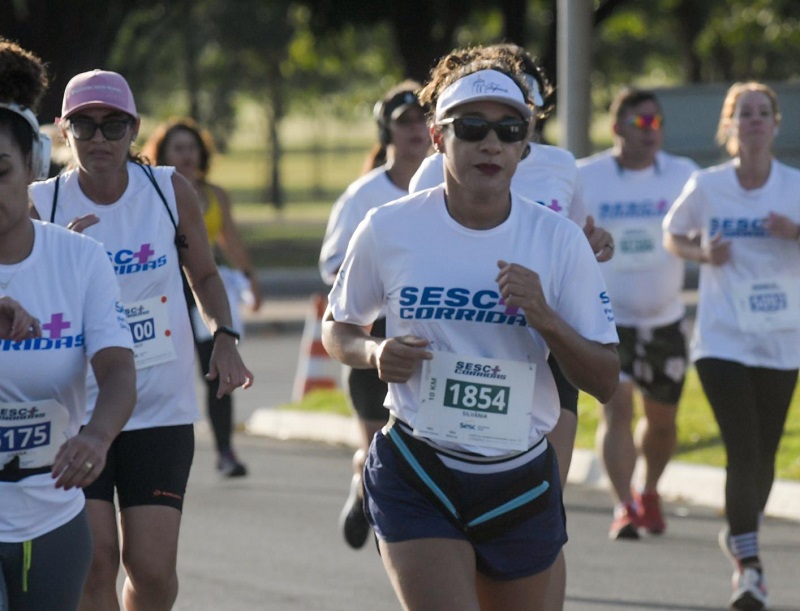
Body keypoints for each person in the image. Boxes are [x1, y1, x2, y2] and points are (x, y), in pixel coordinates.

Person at [322, 50, 619, 610]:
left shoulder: (557, 240)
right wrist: (374, 350)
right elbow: (337, 326)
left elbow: (605, 379)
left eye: (509, 131)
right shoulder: (390, 228)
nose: (491, 144)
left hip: (520, 477)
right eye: (472, 128)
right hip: (418, 467)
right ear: (437, 138)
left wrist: (545, 318)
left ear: (525, 145)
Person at [29, 69, 253, 611]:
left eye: (113, 126)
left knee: (151, 571)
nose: (99, 139)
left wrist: (224, 335)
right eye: (85, 126)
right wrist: (60, 262)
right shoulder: (44, 204)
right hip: (77, 411)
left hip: (159, 407)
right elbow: (25, 301)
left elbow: (203, 274)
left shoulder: (167, 188)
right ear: (64, 131)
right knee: (96, 559)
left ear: (133, 129)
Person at [410, 43, 613, 611]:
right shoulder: (438, 163)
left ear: (534, 107)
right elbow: (420, 244)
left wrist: (598, 245)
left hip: (542, 343)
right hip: (464, 344)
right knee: (471, 506)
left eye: (523, 93)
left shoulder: (561, 165)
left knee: (541, 499)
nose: (494, 128)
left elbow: (579, 238)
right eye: (482, 107)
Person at [0, 40, 136, 611]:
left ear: (31, 167)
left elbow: (118, 372)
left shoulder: (79, 260)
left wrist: (97, 437)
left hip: (50, 514)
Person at [663, 81, 800, 611]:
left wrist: (795, 231)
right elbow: (672, 233)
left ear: (776, 124)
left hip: (781, 339)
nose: (755, 122)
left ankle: (740, 534)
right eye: (745, 113)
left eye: (764, 113)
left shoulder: (792, 186)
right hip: (722, 337)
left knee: (764, 455)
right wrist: (701, 251)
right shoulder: (708, 186)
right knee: (743, 448)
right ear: (729, 126)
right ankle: (749, 565)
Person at [577, 88, 699, 540]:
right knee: (618, 409)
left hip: (664, 317)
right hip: (607, 319)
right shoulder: (586, 177)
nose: (652, 132)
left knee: (662, 420)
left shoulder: (684, 174)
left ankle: (649, 491)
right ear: (616, 128)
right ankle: (623, 502)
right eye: (641, 123)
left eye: (657, 123)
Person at [319, 81, 430, 549]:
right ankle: (366, 488)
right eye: (404, 122)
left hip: (430, 334)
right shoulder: (363, 196)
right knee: (378, 447)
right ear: (386, 129)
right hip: (375, 336)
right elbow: (330, 265)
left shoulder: (452, 187)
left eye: (424, 119)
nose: (416, 130)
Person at [143, 117, 262, 477]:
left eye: (192, 148)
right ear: (162, 153)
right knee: (161, 372)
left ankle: (225, 451)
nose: (187, 155)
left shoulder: (214, 195)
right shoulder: (152, 190)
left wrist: (250, 278)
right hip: (163, 290)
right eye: (178, 148)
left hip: (203, 285)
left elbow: (231, 241)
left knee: (218, 369)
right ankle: (151, 450)